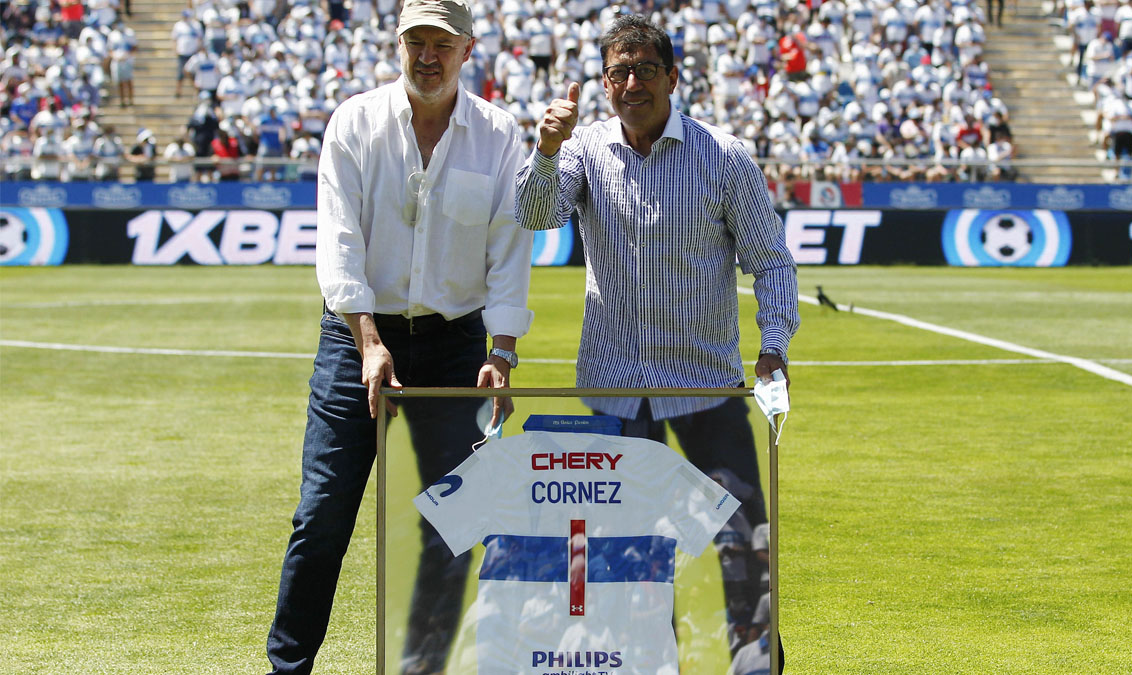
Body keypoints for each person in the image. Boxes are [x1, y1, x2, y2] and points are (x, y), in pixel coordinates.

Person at [516, 13, 796, 666]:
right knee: (629, 566)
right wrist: (547, 150)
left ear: (673, 76)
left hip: (705, 385)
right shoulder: (583, 149)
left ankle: (756, 664)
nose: (632, 82)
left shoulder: (722, 156)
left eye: (645, 68)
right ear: (604, 82)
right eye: (618, 71)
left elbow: (772, 261)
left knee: (744, 552)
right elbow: (537, 216)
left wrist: (774, 343)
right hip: (614, 393)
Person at [265, 0, 533, 673]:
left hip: (456, 345)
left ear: (468, 50)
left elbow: (509, 249)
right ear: (398, 45)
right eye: (416, 41)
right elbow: (339, 241)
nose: (428, 55)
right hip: (356, 337)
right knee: (323, 515)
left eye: (442, 43)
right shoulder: (354, 121)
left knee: (452, 521)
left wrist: (502, 350)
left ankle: (423, 666)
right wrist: (366, 337)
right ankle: (287, 667)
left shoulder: (498, 135)